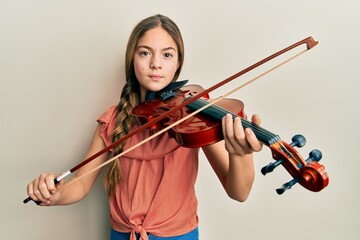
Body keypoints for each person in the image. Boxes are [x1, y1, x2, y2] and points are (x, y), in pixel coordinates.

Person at [26, 14, 262, 240]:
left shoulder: (194, 115)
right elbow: (80, 183)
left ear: (178, 62)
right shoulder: (112, 120)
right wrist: (56, 195)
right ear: (132, 58)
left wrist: (241, 155)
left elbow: (238, 192)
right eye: (145, 53)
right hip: (121, 236)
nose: (156, 64)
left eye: (167, 55)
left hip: (179, 237)